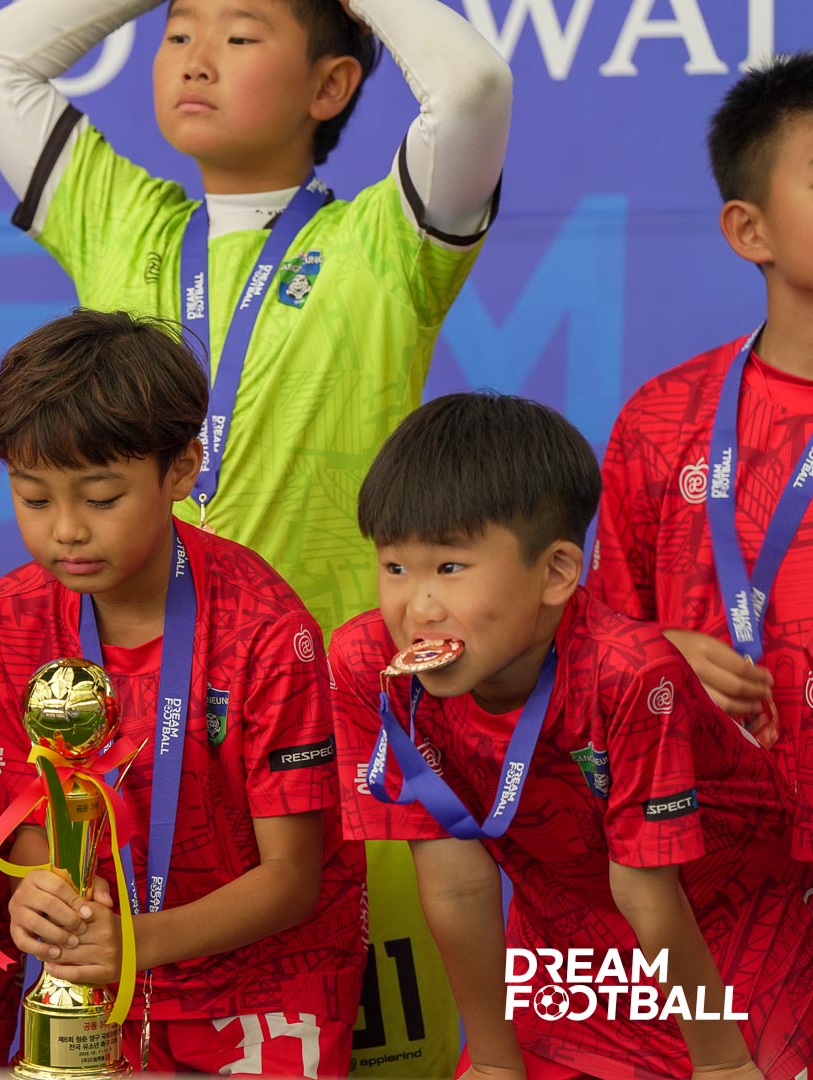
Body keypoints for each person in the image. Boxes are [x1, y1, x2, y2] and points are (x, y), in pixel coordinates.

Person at [0, 3, 513, 1064]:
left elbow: (474, 88)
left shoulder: (384, 240)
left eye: (242, 35)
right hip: (142, 779)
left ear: (332, 85)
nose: (196, 60)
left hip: (344, 753)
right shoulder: (123, 218)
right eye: (179, 33)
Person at [333, 392, 813, 1079]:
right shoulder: (368, 666)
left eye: (450, 568)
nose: (419, 608)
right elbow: (457, 881)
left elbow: (648, 892)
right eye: (395, 568)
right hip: (566, 935)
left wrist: (722, 1065)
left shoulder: (629, 674)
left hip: (736, 929)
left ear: (557, 572)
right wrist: (494, 1063)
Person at [0, 309, 364, 1074]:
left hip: (265, 987)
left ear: (182, 470)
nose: (66, 530)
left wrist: (137, 942)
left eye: (101, 498)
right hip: (99, 980)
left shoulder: (265, 629)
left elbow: (292, 879)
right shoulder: (10, 617)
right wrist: (43, 888)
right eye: (34, 498)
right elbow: (30, 811)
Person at [594, 53, 813, 863]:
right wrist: (659, 657)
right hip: (713, 867)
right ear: (750, 229)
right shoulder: (661, 419)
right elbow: (596, 649)